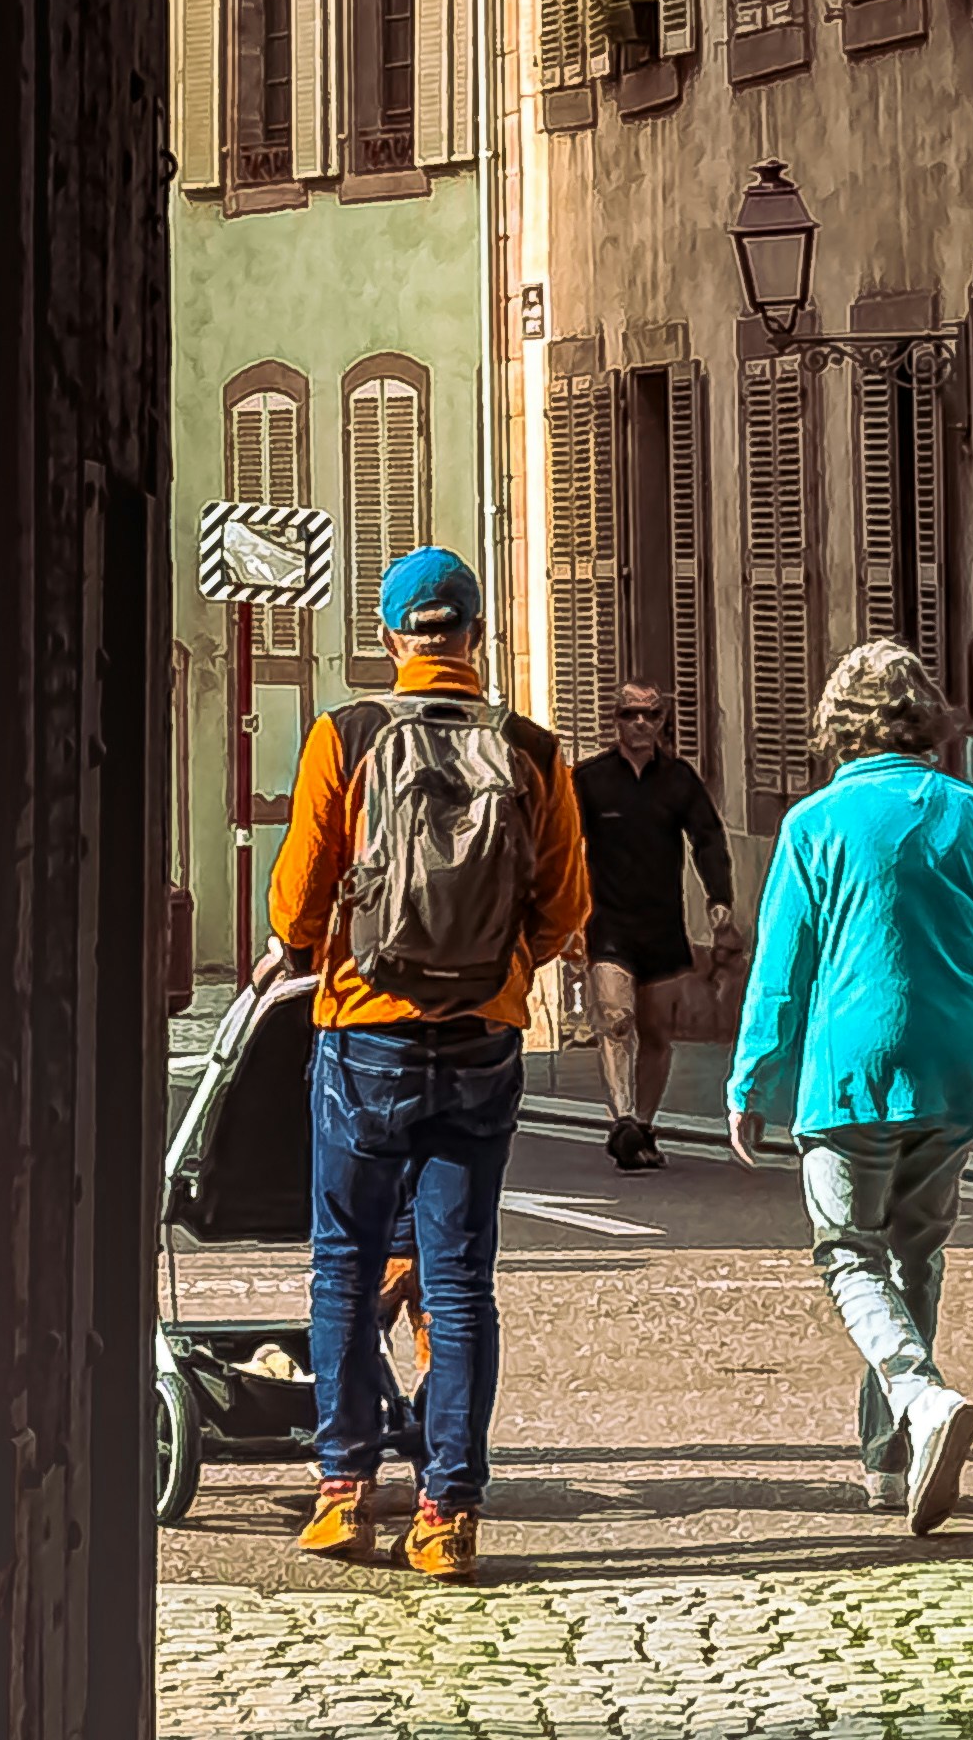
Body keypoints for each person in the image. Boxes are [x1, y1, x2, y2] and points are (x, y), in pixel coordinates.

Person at [267, 546, 590, 1582]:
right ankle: (449, 1509)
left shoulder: (346, 735)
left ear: (393, 636)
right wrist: (495, 973)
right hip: (483, 1038)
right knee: (459, 1279)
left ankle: (342, 1488)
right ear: (479, 636)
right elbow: (566, 910)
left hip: (366, 1028)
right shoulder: (535, 750)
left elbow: (295, 898)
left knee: (346, 1260)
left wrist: (338, 955)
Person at [729, 640, 973, 1529]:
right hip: (954, 1067)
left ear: (838, 730)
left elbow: (782, 969)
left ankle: (918, 1401)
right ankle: (887, 1464)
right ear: (930, 722)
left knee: (848, 1250)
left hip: (851, 1066)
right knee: (917, 1252)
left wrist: (751, 1078)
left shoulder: (815, 824)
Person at [571, 680, 741, 1170]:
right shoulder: (591, 779)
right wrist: (563, 916)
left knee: (657, 1032)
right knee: (615, 1021)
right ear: (615, 721)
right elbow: (563, 849)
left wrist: (720, 902)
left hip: (663, 922)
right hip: (608, 922)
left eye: (650, 715)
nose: (640, 724)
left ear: (663, 722)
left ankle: (644, 1122)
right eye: (629, 714)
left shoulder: (679, 781)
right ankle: (621, 1118)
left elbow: (708, 839)